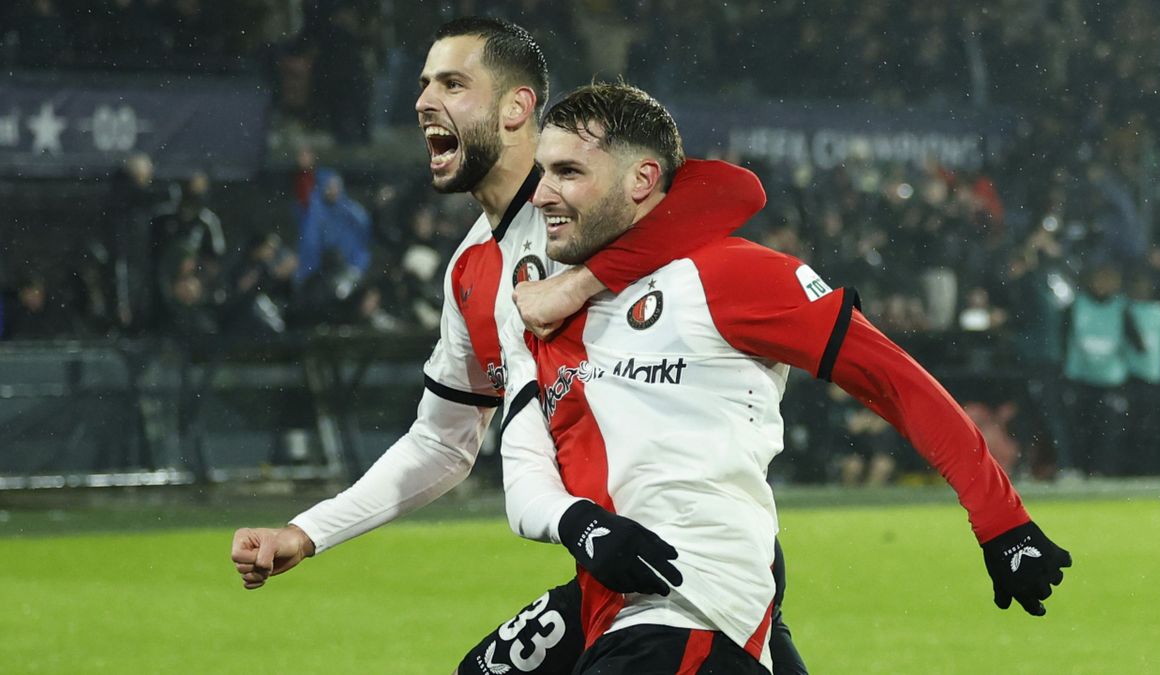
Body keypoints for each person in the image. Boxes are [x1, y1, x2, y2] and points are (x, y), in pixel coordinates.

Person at [228, 17, 808, 675]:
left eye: (452, 82)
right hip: (607, 560)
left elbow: (733, 193)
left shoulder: (602, 206)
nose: (424, 101)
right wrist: (307, 531)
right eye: (423, 84)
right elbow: (441, 442)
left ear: (516, 107)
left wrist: (585, 279)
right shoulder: (472, 271)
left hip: (696, 547)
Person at [497, 82, 1072, 673]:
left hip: (687, 613)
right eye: (541, 171)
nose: (541, 194)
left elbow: (896, 382)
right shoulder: (541, 311)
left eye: (567, 171)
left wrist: (1001, 520)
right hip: (614, 601)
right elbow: (525, 466)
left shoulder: (727, 275)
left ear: (642, 180)